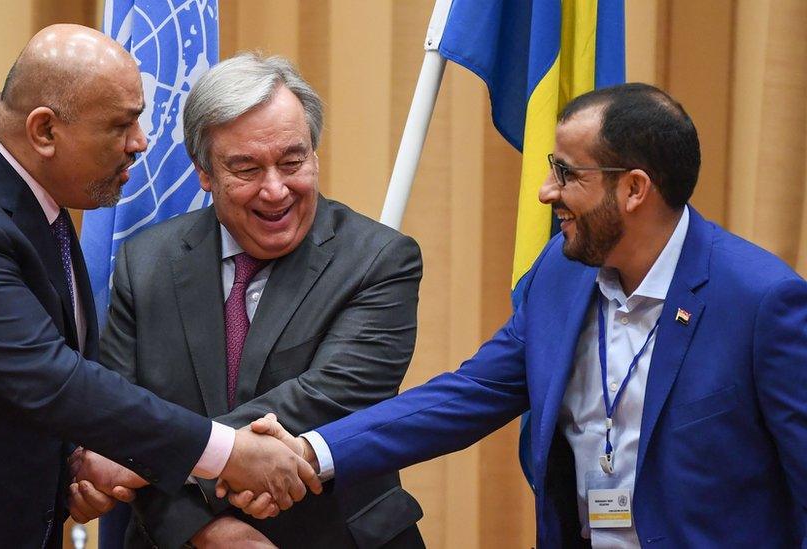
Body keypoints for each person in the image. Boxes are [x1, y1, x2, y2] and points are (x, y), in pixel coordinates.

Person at [233, 83, 807, 547]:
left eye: (566, 173)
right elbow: (465, 396)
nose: (544, 191)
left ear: (634, 189)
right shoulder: (561, 271)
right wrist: (311, 452)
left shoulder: (761, 302)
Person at [0, 25, 317, 548]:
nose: (141, 143)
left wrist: (77, 460)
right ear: (44, 132)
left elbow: (3, 387)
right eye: (121, 124)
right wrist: (229, 453)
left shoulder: (35, 208)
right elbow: (53, 379)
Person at [77, 52, 425, 548]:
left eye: (292, 161)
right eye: (246, 168)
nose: (276, 190)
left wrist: (150, 457)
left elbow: (328, 400)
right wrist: (204, 529)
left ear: (315, 154)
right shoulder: (145, 263)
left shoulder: (379, 260)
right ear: (203, 172)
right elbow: (118, 417)